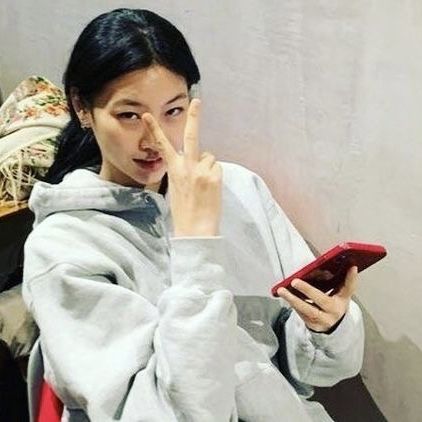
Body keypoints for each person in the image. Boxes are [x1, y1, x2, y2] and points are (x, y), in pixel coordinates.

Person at [22, 7, 364, 422]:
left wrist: (325, 327)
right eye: (129, 115)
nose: (156, 139)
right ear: (82, 107)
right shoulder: (64, 248)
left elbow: (315, 370)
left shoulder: (239, 189)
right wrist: (195, 245)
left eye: (174, 111)